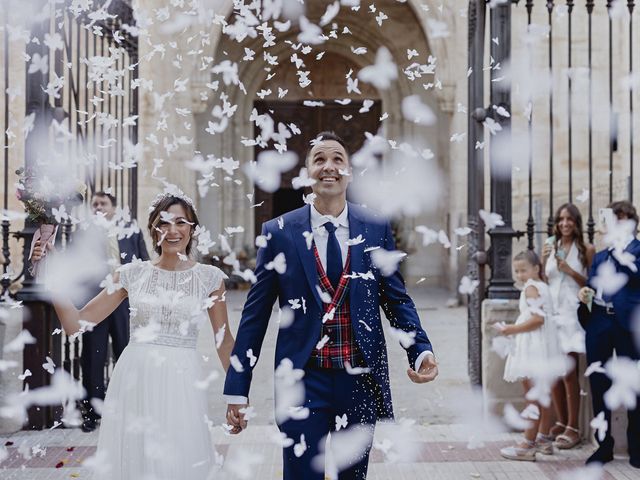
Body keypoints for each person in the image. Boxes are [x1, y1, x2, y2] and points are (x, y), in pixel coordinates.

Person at [223, 131, 438, 480]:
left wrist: (420, 350)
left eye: (337, 159)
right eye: (319, 159)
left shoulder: (375, 226)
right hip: (302, 380)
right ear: (306, 172)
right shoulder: (278, 231)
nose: (329, 166)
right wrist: (237, 387)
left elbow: (394, 297)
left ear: (350, 171)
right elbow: (254, 316)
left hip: (359, 381)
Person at [32, 191, 235, 479]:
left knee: (179, 458)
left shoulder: (211, 278)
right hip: (136, 378)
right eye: (164, 223)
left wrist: (239, 393)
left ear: (193, 228)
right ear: (154, 229)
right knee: (134, 460)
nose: (173, 230)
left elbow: (224, 341)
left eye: (181, 223)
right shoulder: (131, 274)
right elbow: (76, 324)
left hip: (183, 380)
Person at [79, 191, 149, 432]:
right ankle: (91, 413)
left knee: (127, 354)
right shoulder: (84, 233)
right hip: (96, 302)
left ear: (113, 207)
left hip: (124, 301)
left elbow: (144, 262)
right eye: (94, 204)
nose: (98, 207)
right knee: (93, 358)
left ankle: (131, 409)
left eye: (103, 203)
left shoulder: (131, 229)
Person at [577, 200, 640, 468]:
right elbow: (593, 286)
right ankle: (604, 447)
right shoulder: (601, 256)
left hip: (628, 326)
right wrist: (585, 297)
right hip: (600, 322)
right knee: (598, 384)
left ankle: (637, 447)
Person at [542, 203, 595, 449]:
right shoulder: (551, 248)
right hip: (551, 314)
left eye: (569, 219)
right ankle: (562, 422)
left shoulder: (587, 250)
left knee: (568, 372)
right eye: (561, 219)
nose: (564, 223)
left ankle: (573, 427)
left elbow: (591, 283)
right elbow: (546, 281)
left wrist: (570, 270)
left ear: (576, 223)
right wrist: (544, 264)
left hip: (572, 314)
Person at [498, 250, 559, 462]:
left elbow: (537, 320)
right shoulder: (542, 287)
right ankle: (543, 438)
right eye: (517, 271)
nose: (520, 274)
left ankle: (527, 443)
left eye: (524, 270)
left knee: (532, 396)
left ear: (536, 268)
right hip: (542, 346)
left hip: (533, 348)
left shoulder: (532, 287)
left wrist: (510, 330)